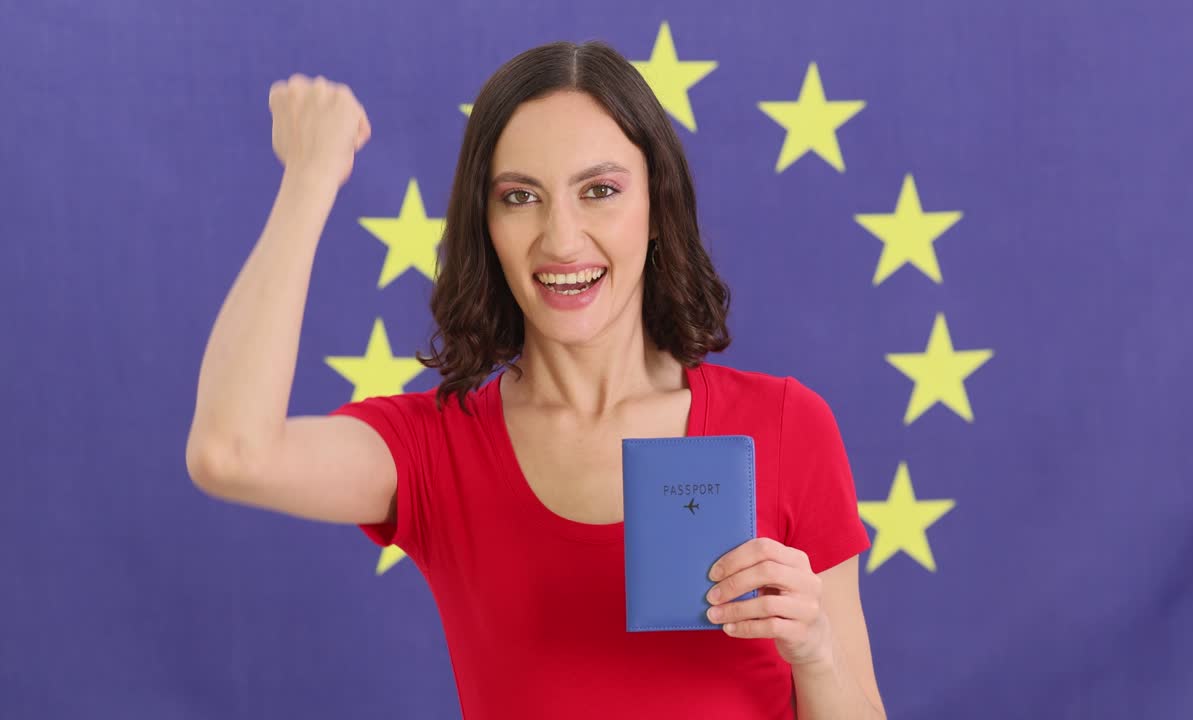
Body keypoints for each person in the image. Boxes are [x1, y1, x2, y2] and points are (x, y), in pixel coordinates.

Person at [185, 40, 885, 719]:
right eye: (521, 197)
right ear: (485, 224)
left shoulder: (786, 424)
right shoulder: (434, 448)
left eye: (600, 191)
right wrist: (309, 180)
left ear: (657, 210)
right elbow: (230, 454)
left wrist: (815, 651)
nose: (562, 239)